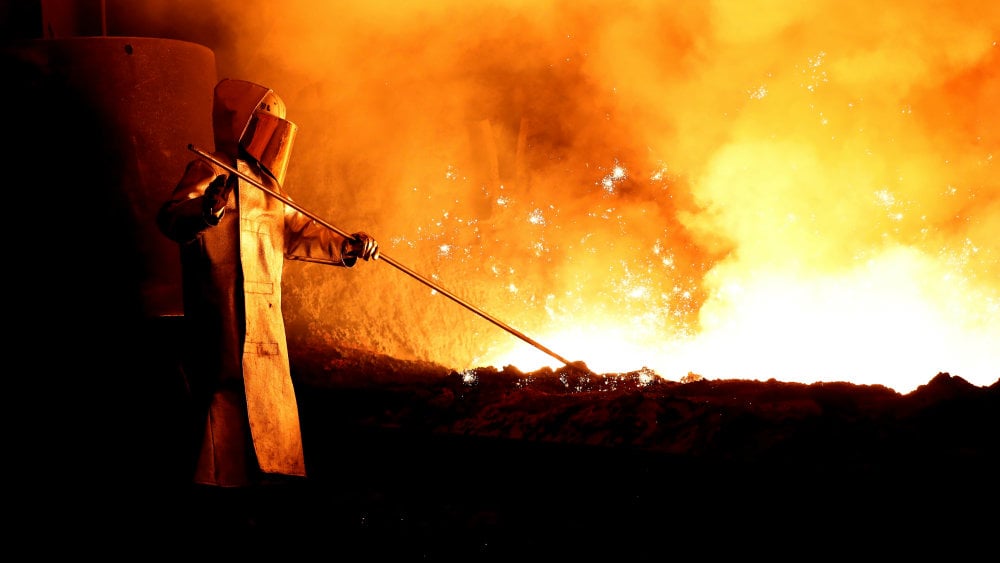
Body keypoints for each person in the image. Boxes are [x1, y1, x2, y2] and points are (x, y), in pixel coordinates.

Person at [157, 78, 379, 529]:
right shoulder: (211, 168)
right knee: (221, 400)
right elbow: (172, 217)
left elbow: (298, 231)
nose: (272, 134)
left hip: (263, 315)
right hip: (221, 308)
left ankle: (265, 497)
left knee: (265, 400)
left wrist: (349, 246)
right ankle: (209, 503)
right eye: (264, 123)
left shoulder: (267, 187)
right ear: (245, 124)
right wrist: (208, 210)